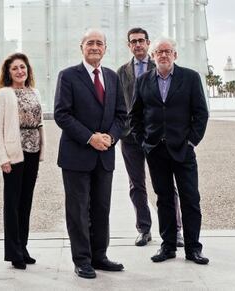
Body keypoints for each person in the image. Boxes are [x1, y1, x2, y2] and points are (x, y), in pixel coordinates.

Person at [129, 37, 209, 265]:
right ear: (152, 56)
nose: (163, 55)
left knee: (190, 199)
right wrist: (144, 142)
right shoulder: (143, 81)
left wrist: (191, 142)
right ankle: (168, 246)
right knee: (164, 200)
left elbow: (201, 114)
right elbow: (135, 116)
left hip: (183, 151)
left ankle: (193, 248)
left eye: (168, 51)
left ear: (175, 55)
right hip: (156, 151)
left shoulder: (191, 78)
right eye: (159, 52)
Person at [54, 29, 127, 279]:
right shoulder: (68, 76)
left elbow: (121, 115)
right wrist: (90, 137)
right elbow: (62, 114)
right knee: (78, 209)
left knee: (101, 208)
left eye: (99, 43)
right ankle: (82, 259)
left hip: (104, 155)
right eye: (90, 43)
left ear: (105, 48)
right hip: (77, 155)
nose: (95, 47)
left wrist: (111, 137)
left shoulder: (112, 77)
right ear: (81, 47)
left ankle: (100, 255)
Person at [117, 27, 184, 247]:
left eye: (141, 41)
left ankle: (175, 230)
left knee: (167, 185)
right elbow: (120, 105)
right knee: (136, 185)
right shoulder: (122, 72)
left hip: (158, 138)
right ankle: (144, 229)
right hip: (130, 138)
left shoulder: (162, 65)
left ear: (148, 43)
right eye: (133, 41)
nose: (137, 45)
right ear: (129, 45)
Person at [0, 53, 45, 270]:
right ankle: (13, 252)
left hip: (33, 151)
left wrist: (42, 147)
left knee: (26, 203)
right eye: (15, 68)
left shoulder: (35, 91)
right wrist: (2, 158)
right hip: (14, 154)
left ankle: (23, 247)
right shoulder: (4, 94)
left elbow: (39, 121)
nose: (20, 71)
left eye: (22, 67)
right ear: (8, 72)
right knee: (12, 204)